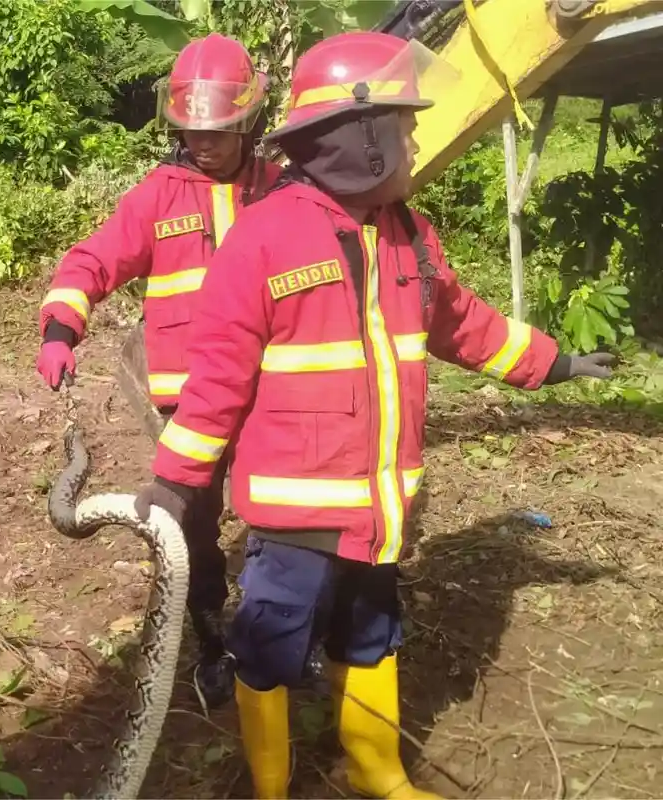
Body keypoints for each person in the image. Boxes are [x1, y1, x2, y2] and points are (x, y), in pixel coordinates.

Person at [134, 30, 615, 800]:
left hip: (379, 505)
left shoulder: (410, 237)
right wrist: (176, 479)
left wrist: (552, 361)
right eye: (404, 122)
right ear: (359, 136)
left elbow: (464, 324)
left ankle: (377, 772)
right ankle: (269, 782)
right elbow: (215, 379)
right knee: (268, 646)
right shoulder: (264, 237)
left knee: (369, 636)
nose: (416, 136)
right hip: (295, 515)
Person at [36, 32, 282, 710]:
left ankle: (274, 637)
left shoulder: (282, 190)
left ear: (248, 121)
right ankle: (211, 639)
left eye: (218, 131)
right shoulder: (158, 197)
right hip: (189, 402)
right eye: (190, 131)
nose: (203, 144)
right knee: (195, 529)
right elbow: (91, 262)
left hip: (270, 393)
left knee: (275, 521)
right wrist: (62, 327)